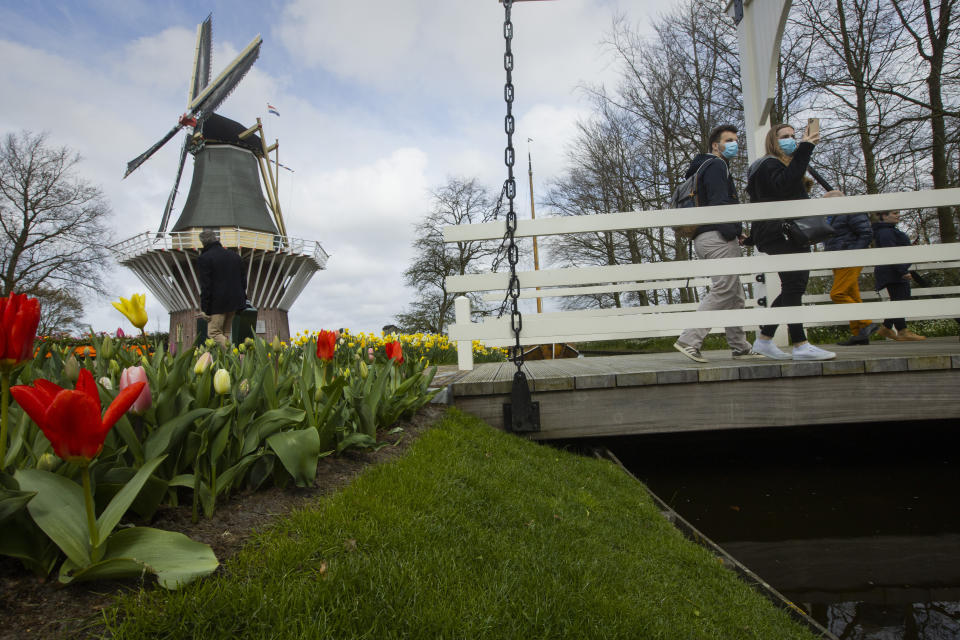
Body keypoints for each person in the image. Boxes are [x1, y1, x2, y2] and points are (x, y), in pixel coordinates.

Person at [673, 125, 765, 363]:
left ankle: (740, 346)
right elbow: (719, 203)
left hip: (705, 237)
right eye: (729, 140)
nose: (734, 144)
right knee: (725, 288)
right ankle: (689, 340)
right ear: (716, 145)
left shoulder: (700, 168)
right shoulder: (716, 165)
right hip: (718, 237)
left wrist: (737, 232)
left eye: (736, 140)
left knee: (735, 295)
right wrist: (732, 231)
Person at [746, 123, 836, 361]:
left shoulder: (767, 167)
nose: (791, 140)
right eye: (784, 136)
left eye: (794, 136)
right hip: (783, 233)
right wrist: (806, 148)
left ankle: (765, 339)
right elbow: (784, 185)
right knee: (795, 285)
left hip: (778, 232)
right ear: (772, 141)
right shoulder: (769, 164)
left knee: (792, 286)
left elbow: (769, 198)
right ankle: (800, 343)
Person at [822, 193, 879, 346]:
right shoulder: (832, 215)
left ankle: (866, 323)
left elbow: (866, 233)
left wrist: (853, 254)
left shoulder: (851, 211)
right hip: (838, 259)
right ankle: (859, 334)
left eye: (826, 201)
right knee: (852, 295)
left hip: (848, 258)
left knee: (837, 294)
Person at [872, 210, 926, 341]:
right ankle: (901, 330)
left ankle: (887, 327)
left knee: (899, 299)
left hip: (894, 270)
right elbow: (890, 252)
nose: (898, 215)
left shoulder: (888, 230)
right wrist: (902, 271)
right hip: (893, 271)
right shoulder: (886, 232)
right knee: (901, 299)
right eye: (894, 213)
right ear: (884, 216)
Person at [197, 229, 247, 348]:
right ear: (216, 238)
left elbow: (206, 286)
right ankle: (228, 364)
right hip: (235, 302)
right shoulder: (235, 256)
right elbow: (243, 281)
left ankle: (234, 355)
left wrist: (205, 309)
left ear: (203, 243)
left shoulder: (205, 258)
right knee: (225, 333)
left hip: (217, 304)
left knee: (214, 333)